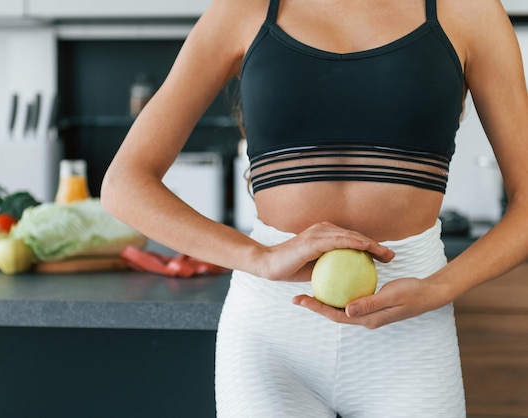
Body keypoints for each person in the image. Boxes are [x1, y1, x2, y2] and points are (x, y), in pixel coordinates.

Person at [101, 0, 528, 416]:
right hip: (272, 330)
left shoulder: (469, 10)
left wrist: (441, 287)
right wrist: (258, 258)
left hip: (410, 328)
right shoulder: (242, 10)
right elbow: (125, 184)